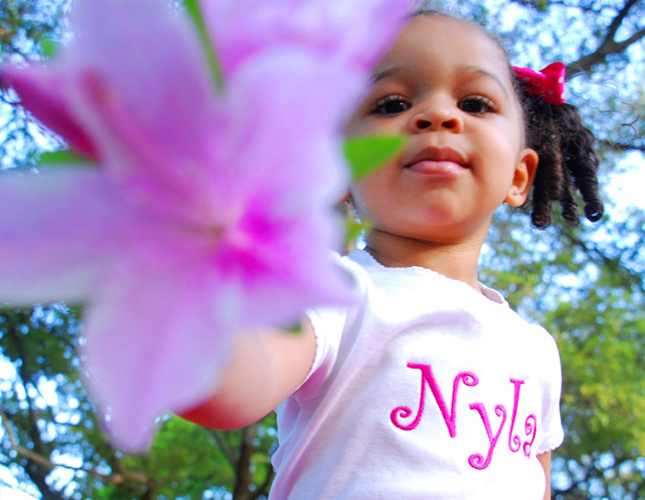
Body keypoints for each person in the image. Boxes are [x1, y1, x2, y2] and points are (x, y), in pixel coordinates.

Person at [180, 10, 603, 500]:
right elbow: (224, 383)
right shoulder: (331, 293)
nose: (438, 115)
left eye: (475, 103)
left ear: (519, 175)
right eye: (393, 104)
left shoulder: (535, 350)